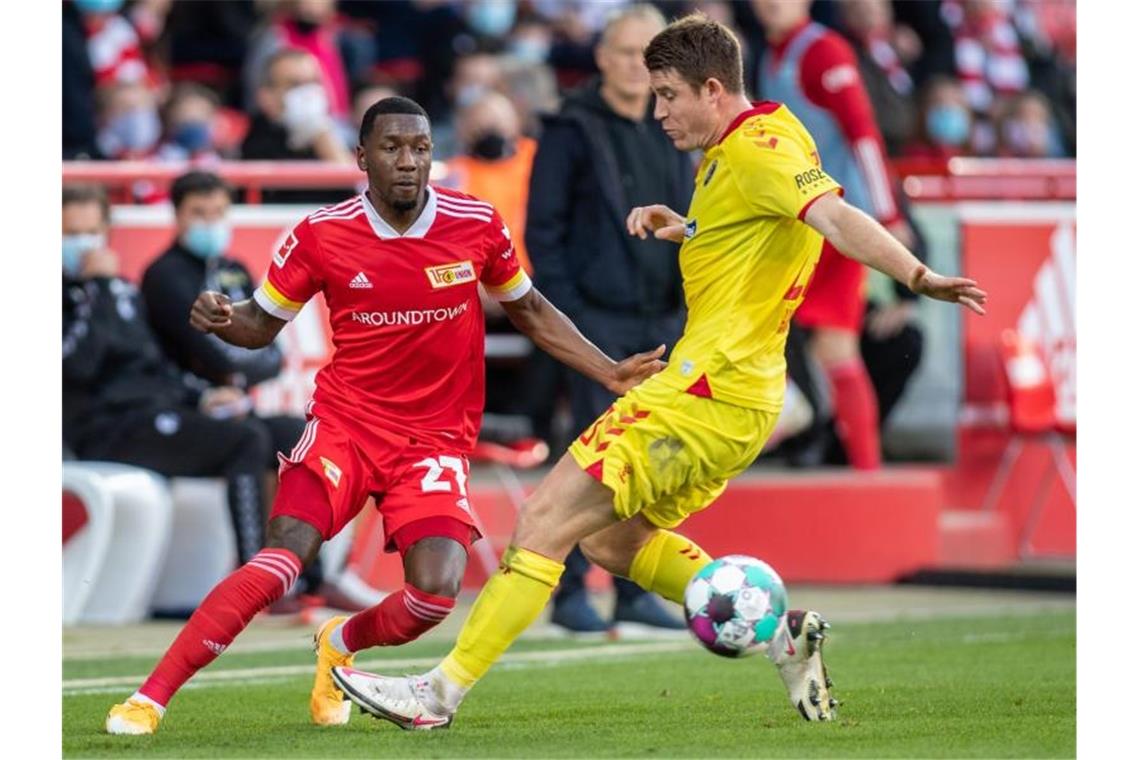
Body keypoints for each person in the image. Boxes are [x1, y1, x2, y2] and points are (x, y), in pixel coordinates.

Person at [331, 13, 985, 728]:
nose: (659, 111)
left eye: (668, 95)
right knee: (610, 540)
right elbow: (768, 227)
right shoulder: (757, 138)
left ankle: (437, 694)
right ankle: (777, 634)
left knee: (542, 522)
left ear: (711, 88)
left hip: (702, 389)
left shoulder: (761, 149)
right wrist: (691, 227)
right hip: (740, 401)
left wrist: (917, 274)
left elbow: (834, 217)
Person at [105, 96, 667, 735]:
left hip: (433, 441)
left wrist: (608, 370)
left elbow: (531, 310)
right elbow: (260, 325)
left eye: (420, 148)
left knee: (433, 596)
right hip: (346, 426)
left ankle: (339, 641)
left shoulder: (475, 223)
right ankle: (149, 698)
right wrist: (224, 320)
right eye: (393, 148)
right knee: (283, 557)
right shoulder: (321, 233)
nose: (408, 162)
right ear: (362, 157)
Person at [526, 3, 691, 634]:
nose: (637, 65)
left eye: (649, 54)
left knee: (650, 460)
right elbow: (545, 232)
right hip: (592, 324)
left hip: (661, 322)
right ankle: (565, 590)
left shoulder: (669, 129)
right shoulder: (570, 129)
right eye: (626, 52)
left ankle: (632, 587)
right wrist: (572, 322)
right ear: (601, 57)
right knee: (586, 459)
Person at [139, 170, 346, 608]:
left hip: (233, 404)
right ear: (177, 216)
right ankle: (258, 581)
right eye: (199, 213)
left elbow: (271, 348)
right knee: (248, 440)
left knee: (297, 433)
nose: (210, 222)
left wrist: (240, 366)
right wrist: (238, 364)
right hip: (183, 405)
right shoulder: (165, 276)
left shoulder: (233, 270)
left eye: (218, 212)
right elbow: (214, 354)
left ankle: (311, 576)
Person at [62, 183, 275, 584]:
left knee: (284, 434)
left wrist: (203, 396)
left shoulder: (122, 289)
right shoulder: (92, 291)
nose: (85, 244)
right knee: (244, 439)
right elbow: (77, 366)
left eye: (92, 232)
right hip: (101, 428)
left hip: (151, 413)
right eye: (71, 234)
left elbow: (153, 367)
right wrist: (99, 289)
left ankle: (303, 578)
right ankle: (258, 584)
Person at [751, 0, 914, 470]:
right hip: (806, 217)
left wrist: (885, 212)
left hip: (837, 221)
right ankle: (851, 458)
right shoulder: (771, 53)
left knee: (818, 341)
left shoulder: (824, 51)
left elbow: (862, 133)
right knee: (821, 345)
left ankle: (851, 459)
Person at [241, 48, 352, 202]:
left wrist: (323, 136)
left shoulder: (340, 134)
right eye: (296, 85)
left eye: (314, 82)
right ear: (266, 96)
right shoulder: (252, 143)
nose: (308, 93)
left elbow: (358, 190)